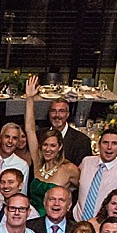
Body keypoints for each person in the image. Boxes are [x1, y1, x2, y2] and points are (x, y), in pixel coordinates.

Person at [23, 75, 81, 213]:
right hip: (32, 219)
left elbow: (84, 193)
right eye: (45, 145)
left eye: (53, 146)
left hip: (55, 220)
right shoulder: (38, 163)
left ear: (60, 147)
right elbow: (30, 129)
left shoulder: (69, 169)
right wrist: (30, 99)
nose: (48, 149)